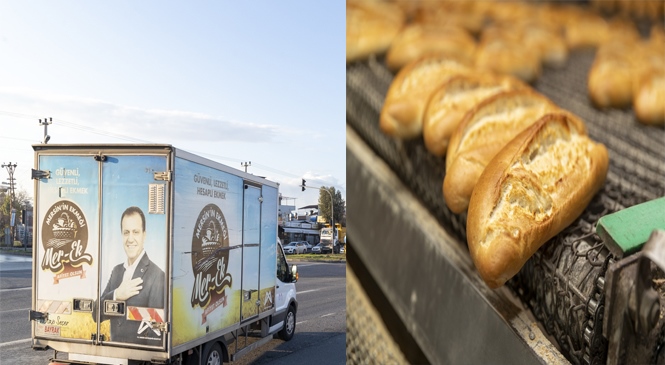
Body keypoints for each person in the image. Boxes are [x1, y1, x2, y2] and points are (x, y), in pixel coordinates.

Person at [99, 206, 165, 345]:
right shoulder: (116, 271)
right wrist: (117, 295)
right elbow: (96, 314)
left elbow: (156, 333)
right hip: (114, 354)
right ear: (121, 235)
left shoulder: (157, 275)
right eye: (126, 232)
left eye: (135, 232)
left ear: (144, 235)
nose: (130, 239)